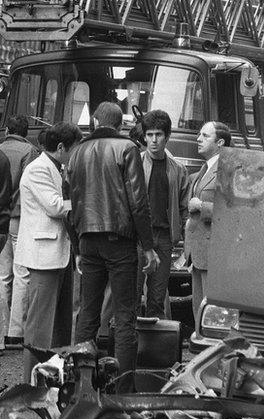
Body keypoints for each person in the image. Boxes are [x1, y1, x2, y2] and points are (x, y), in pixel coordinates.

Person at [67, 102, 158, 394]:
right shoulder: (127, 148)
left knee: (88, 315)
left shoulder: (77, 151)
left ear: (94, 121)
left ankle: (82, 389)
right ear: (119, 124)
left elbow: (72, 200)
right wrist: (149, 246)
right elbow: (138, 202)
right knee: (124, 317)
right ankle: (122, 392)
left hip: (87, 239)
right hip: (120, 241)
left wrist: (76, 244)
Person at [18, 122, 82, 380]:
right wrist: (84, 198)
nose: (75, 154)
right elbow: (55, 207)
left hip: (59, 254)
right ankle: (29, 384)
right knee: (39, 327)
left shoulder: (57, 167)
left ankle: (51, 378)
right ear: (61, 147)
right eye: (74, 149)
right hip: (44, 255)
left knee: (59, 326)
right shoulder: (37, 170)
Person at [138, 110, 189, 318]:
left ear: (167, 137)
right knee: (131, 295)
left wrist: (187, 243)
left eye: (158, 134)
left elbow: (184, 209)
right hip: (139, 238)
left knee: (157, 298)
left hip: (164, 237)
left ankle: (153, 346)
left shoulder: (177, 169)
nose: (153, 140)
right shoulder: (135, 163)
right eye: (149, 135)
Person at [0, 115, 40, 352]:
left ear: (6, 130)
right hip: (20, 217)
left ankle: (2, 331)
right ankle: (16, 332)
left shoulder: (1, 150)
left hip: (2, 219)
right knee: (22, 273)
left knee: (3, 276)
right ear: (25, 132)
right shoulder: (30, 151)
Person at [186, 121, 229, 328]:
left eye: (205, 135)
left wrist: (201, 206)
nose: (198, 139)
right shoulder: (205, 168)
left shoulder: (225, 169)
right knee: (199, 308)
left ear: (220, 142)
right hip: (198, 252)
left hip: (213, 252)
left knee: (211, 311)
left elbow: (231, 210)